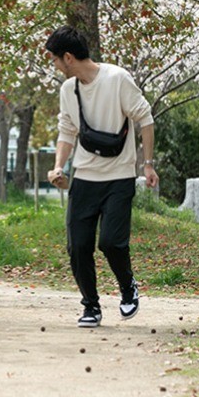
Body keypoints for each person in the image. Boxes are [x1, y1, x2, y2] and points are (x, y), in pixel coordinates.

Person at [44, 25, 159, 329]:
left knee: (111, 242)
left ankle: (127, 288)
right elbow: (67, 131)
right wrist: (59, 166)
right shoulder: (68, 90)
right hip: (84, 177)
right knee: (78, 245)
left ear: (68, 57)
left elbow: (145, 119)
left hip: (119, 176)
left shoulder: (117, 78)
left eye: (55, 59)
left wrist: (147, 164)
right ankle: (91, 306)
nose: (55, 66)